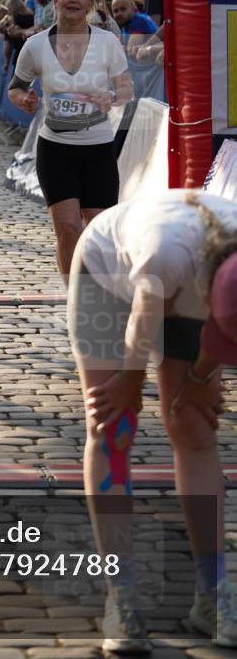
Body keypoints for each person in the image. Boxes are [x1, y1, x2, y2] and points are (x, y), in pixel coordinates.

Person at [67, 191, 237, 652]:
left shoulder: (224, 285)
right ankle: (120, 596)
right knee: (112, 431)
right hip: (107, 276)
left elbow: (224, 330)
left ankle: (212, 592)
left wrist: (201, 375)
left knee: (195, 429)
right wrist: (127, 381)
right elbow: (141, 331)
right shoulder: (168, 257)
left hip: (192, 289)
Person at [8, 0, 133, 280]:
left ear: (90, 3)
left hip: (98, 151)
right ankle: (74, 299)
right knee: (67, 229)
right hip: (55, 150)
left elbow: (127, 90)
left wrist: (111, 97)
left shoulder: (107, 43)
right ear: (56, 0)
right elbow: (15, 86)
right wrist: (23, 100)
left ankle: (96, 289)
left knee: (99, 231)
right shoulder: (36, 45)